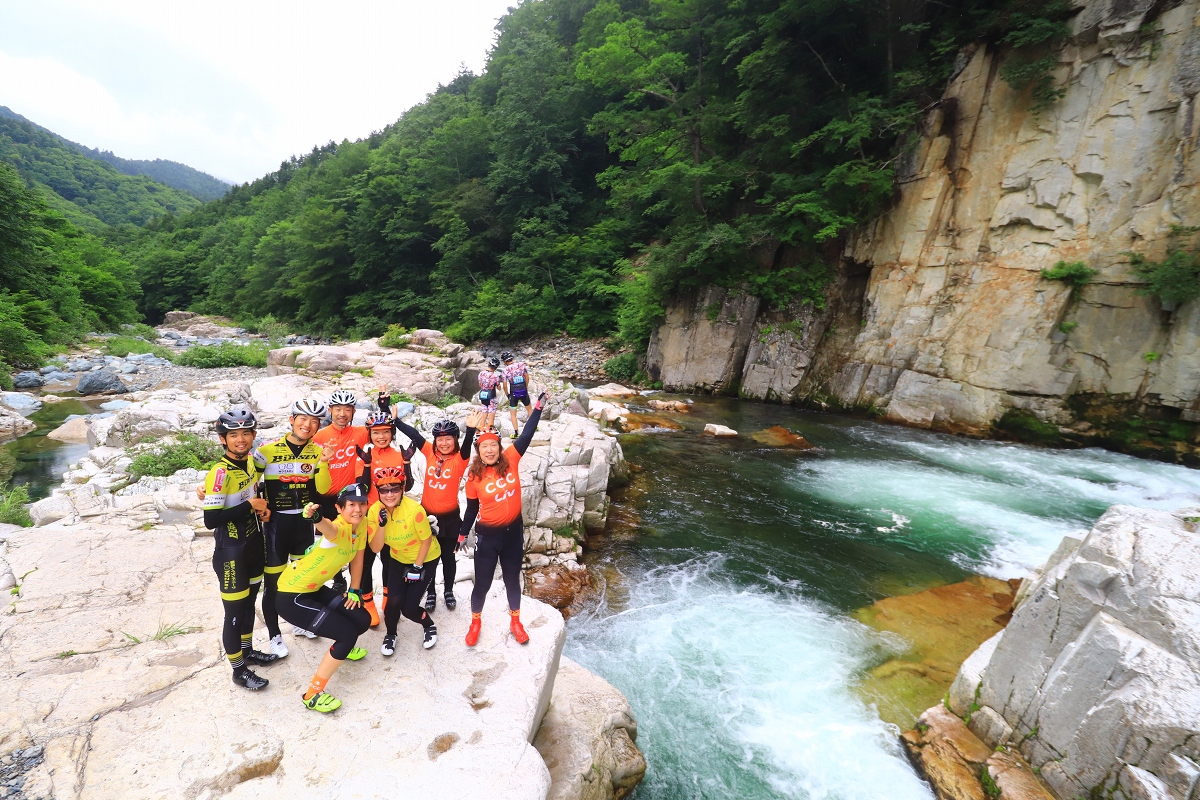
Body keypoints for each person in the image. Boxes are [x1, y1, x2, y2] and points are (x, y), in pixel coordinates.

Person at [460, 390, 549, 647]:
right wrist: (463, 533)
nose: (489, 450)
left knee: (512, 579)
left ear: (500, 447)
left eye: (493, 445)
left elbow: (527, 435)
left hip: (513, 534)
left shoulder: (511, 459)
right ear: (479, 450)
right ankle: (475, 621)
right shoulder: (474, 477)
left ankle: (516, 621)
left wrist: (539, 408)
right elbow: (471, 508)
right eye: (484, 446)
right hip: (487, 538)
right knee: (483, 584)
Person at [275, 484, 372, 713]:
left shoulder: (361, 524)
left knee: (362, 620)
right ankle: (312, 694)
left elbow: (358, 556)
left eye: (362, 504)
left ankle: (341, 651)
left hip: (314, 588)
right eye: (351, 505)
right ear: (339, 508)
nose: (357, 510)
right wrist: (316, 517)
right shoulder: (338, 528)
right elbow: (327, 528)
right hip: (292, 596)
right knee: (347, 634)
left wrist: (355, 589)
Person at [203, 408, 279, 691]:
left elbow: (250, 493)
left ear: (254, 436)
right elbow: (210, 520)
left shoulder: (248, 464)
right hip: (230, 551)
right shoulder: (220, 472)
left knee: (249, 605)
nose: (240, 439)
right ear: (223, 439)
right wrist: (250, 506)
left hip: (253, 544)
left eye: (246, 433)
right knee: (234, 612)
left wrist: (262, 509)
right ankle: (238, 670)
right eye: (233, 435)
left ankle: (247, 652)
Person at [258, 398, 333, 657]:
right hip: (276, 525)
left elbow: (322, 489)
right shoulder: (267, 451)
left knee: (304, 579)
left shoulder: (318, 451)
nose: (308, 424)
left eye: (315, 421)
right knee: (274, 584)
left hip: (304, 524)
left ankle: (301, 624)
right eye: (303, 418)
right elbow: (246, 478)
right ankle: (274, 636)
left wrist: (324, 462)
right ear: (291, 420)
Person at [393, 409, 481, 611]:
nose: (443, 443)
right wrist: (396, 421)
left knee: (448, 558)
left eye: (448, 439)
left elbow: (467, 447)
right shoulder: (430, 453)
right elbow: (414, 434)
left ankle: (448, 590)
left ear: (454, 440)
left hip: (450, 519)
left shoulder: (460, 459)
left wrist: (470, 429)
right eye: (439, 439)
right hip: (427, 517)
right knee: (428, 557)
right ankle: (430, 591)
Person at [366, 466, 439, 654]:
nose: (389, 495)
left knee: (409, 608)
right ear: (378, 491)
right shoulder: (374, 511)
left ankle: (428, 625)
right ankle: (391, 634)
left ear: (403, 488)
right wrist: (381, 525)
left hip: (425, 557)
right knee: (392, 604)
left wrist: (417, 566)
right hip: (398, 557)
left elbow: (426, 539)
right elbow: (375, 548)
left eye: (394, 489)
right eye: (384, 490)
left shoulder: (414, 509)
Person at [354, 410, 414, 626]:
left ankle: (388, 598)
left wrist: (406, 463)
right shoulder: (364, 456)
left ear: (392, 433)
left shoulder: (399, 454)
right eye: (376, 432)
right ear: (369, 434)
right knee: (367, 560)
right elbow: (362, 487)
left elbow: (408, 486)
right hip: (371, 514)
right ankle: (368, 602)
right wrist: (368, 465)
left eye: (386, 432)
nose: (381, 437)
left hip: (396, 515)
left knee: (390, 561)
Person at [501, 351, 533, 436]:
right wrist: (525, 387)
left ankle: (516, 433)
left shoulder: (505, 370)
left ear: (504, 361)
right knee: (529, 409)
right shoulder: (521, 365)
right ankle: (534, 426)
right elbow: (527, 377)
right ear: (512, 358)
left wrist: (508, 394)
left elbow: (504, 385)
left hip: (513, 392)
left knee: (513, 414)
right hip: (523, 390)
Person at [476, 357, 503, 430]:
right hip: (491, 396)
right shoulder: (495, 376)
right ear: (496, 367)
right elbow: (499, 387)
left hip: (483, 395)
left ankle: (481, 427)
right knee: (492, 411)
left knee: (484, 410)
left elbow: (480, 384)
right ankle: (489, 428)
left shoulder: (481, 373)